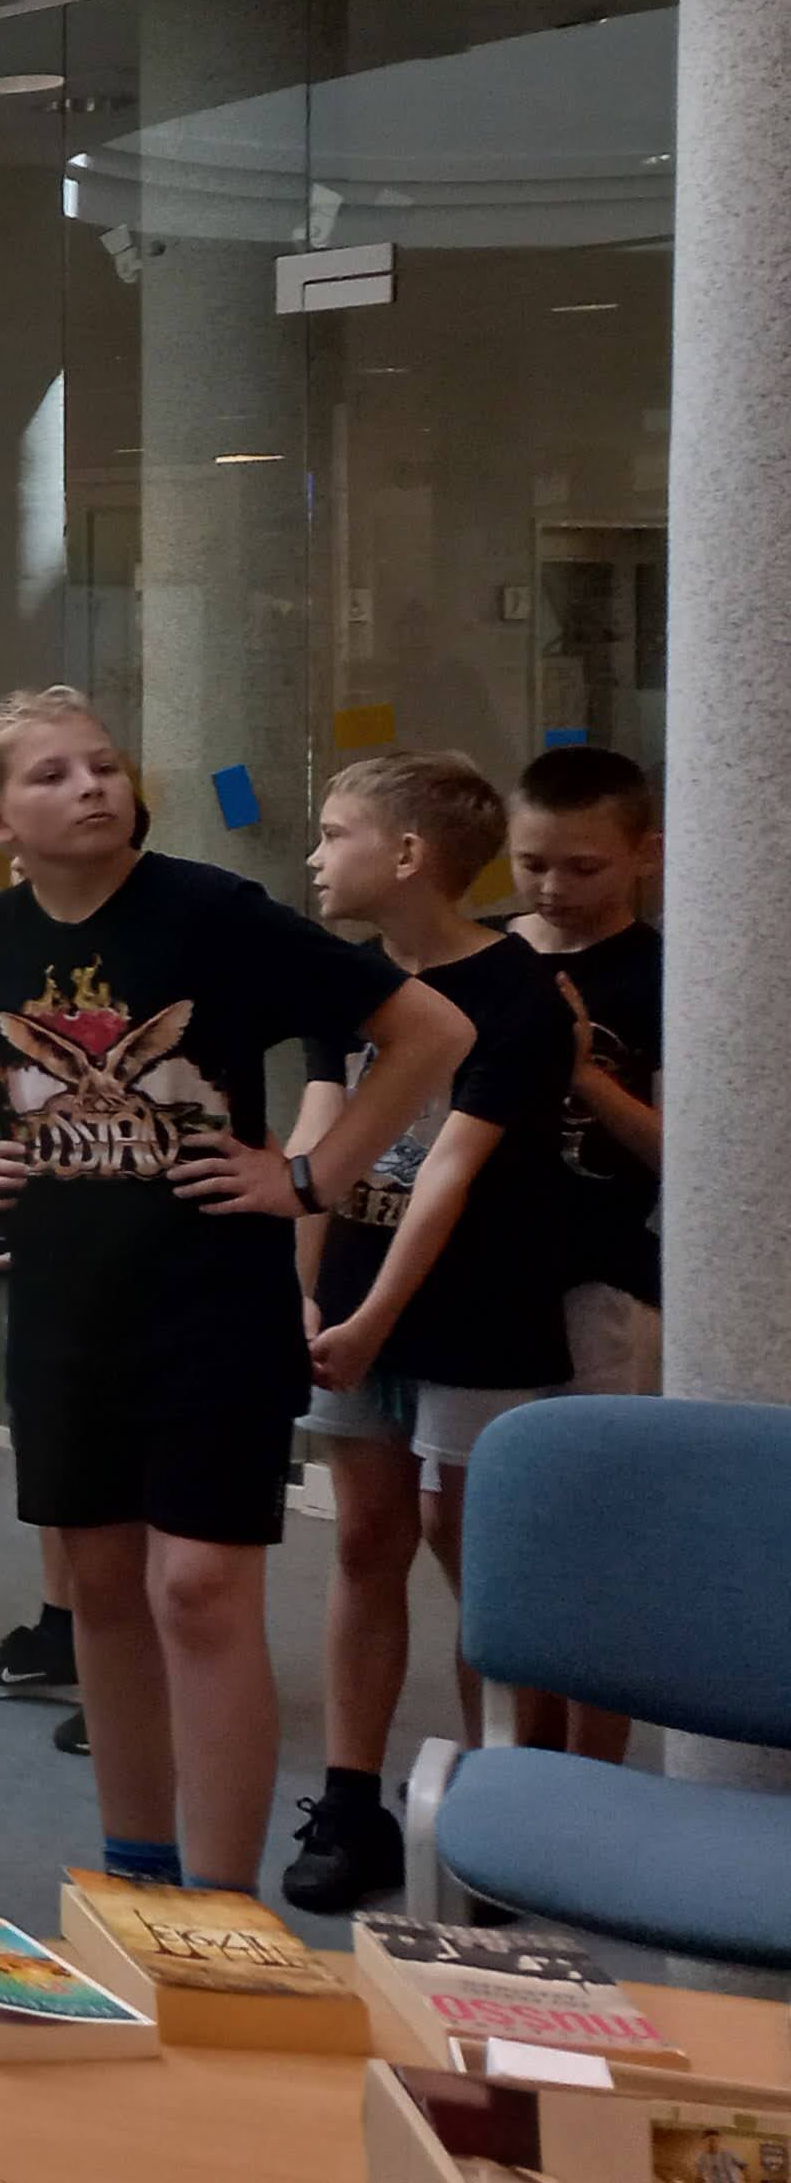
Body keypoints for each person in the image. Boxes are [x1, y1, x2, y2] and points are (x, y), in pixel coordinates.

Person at [0, 687, 471, 1897]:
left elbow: (428, 1033)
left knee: (200, 1592)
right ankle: (138, 1874)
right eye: (53, 775)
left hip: (214, 1305)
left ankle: (221, 1903)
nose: (92, 785)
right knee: (104, 1591)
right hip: (65, 1312)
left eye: (102, 763)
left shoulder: (212, 912)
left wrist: (308, 1176)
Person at [278, 751, 577, 1913]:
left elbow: (447, 1173)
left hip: (476, 1310)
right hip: (355, 1291)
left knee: (473, 1553)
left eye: (334, 833)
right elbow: (314, 1145)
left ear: (406, 855)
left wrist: (368, 1321)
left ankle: (505, 1814)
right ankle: (351, 1802)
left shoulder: (515, 996)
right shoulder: (340, 981)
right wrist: (300, 1295)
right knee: (364, 1539)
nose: (314, 856)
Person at [504, 742, 662, 1767]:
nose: (553, 888)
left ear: (644, 854)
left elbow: (687, 1158)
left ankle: (595, 1772)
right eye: (531, 863)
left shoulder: (666, 974)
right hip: (483, 1279)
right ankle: (521, 1758)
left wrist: (579, 1074)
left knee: (601, 1536)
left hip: (605, 1277)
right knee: (506, 1541)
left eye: (582, 866)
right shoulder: (486, 958)